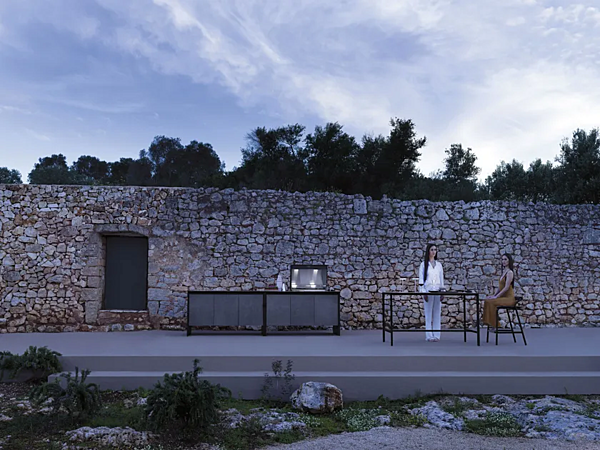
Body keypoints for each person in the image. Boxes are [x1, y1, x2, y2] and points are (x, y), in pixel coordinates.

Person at [419, 243, 445, 342]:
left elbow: (441, 279)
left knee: (437, 313)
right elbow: (421, 279)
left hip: (437, 291)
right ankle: (429, 335)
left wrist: (442, 291)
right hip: (428, 291)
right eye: (432, 249)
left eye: (435, 249)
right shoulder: (424, 264)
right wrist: (423, 292)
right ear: (428, 251)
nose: (434, 251)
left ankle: (437, 335)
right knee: (428, 313)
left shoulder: (439, 265)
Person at [483, 253, 516, 329]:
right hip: (503, 298)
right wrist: (494, 295)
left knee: (491, 302)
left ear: (509, 261)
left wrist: (497, 297)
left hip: (509, 299)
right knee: (487, 300)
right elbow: (500, 287)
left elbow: (506, 287)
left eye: (505, 259)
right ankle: (490, 322)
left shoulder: (510, 272)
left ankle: (496, 324)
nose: (503, 261)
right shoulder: (504, 272)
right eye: (502, 259)